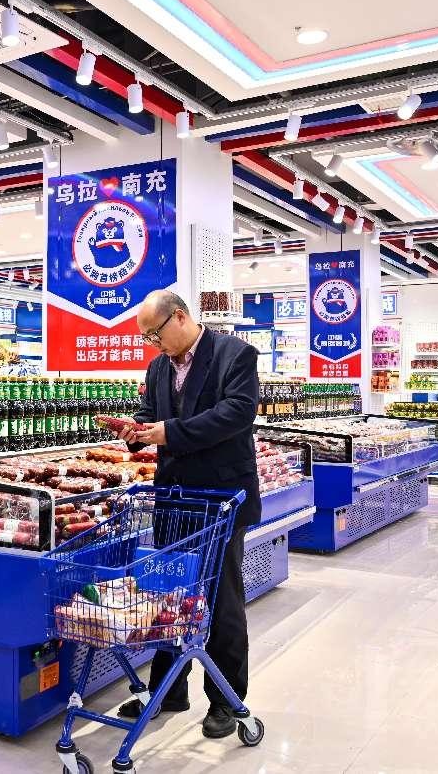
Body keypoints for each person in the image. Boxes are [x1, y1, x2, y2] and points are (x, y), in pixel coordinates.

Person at [117, 290, 260, 739]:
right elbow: (149, 415)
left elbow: (237, 413)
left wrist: (169, 433)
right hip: (174, 500)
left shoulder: (235, 354)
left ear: (179, 317)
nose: (151, 344)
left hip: (220, 499)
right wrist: (135, 431)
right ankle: (167, 690)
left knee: (222, 604)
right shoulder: (159, 366)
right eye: (146, 338)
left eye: (154, 334)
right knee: (168, 596)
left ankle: (225, 700)